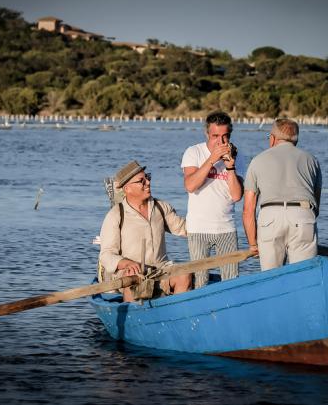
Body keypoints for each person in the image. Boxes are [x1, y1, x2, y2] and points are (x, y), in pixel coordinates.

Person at [98, 160, 191, 301]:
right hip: (129, 272)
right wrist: (127, 263)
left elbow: (184, 229)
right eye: (141, 181)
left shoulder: (161, 207)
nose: (148, 183)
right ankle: (132, 317)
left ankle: (176, 314)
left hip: (161, 269)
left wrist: (204, 222)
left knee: (184, 275)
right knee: (133, 279)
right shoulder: (116, 215)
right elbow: (106, 254)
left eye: (147, 177)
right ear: (127, 189)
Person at [242, 118, 322, 271]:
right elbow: (316, 202)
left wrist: (253, 244)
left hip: (270, 218)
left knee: (270, 277)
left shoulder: (258, 160)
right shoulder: (312, 160)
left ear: (272, 138)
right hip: (303, 214)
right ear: (295, 140)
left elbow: (248, 209)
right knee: (303, 275)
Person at [181, 111, 245, 288]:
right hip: (198, 228)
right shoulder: (193, 152)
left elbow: (237, 196)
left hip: (226, 228)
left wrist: (230, 167)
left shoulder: (237, 156)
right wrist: (212, 159)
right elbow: (190, 185)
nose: (221, 141)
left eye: (225, 136)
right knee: (200, 281)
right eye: (215, 136)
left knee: (231, 282)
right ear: (207, 134)